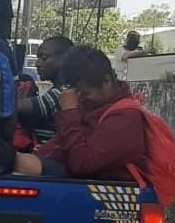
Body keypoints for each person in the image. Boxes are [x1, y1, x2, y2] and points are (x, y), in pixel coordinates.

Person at [15, 46, 146, 181]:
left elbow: (81, 163)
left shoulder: (125, 118)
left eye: (86, 93)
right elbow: (59, 144)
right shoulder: (94, 105)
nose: (81, 98)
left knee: (26, 164)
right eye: (78, 93)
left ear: (107, 80)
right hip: (77, 171)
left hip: (99, 182)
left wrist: (69, 112)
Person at [17, 36, 74, 144]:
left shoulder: (62, 94)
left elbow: (12, 108)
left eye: (44, 58)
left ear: (65, 58)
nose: (37, 64)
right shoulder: (59, 90)